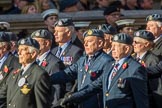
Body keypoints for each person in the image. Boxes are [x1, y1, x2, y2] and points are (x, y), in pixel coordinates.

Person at [59, 33, 149, 108]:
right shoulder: (110, 65)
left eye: (116, 46)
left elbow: (141, 100)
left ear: (126, 49)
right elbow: (94, 87)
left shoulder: (135, 68)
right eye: (112, 45)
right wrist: (73, 97)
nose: (112, 49)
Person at [51, 29, 114, 108]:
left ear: (100, 43)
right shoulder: (83, 60)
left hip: (96, 104)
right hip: (81, 104)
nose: (85, 44)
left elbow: (97, 86)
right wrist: (45, 79)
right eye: (85, 41)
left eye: (90, 41)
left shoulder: (107, 61)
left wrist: (74, 97)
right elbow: (67, 74)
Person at [0, 37, 51, 108]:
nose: (19, 53)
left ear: (33, 54)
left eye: (23, 50)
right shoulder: (14, 73)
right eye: (18, 50)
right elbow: (2, 95)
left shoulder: (39, 75)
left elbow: (41, 104)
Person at [31, 29, 65, 107]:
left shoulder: (54, 63)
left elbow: (57, 92)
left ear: (46, 43)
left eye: (36, 42)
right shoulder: (33, 61)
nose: (33, 46)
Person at [51, 18, 83, 93]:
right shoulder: (53, 51)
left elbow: (77, 78)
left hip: (66, 92)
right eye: (55, 31)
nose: (55, 34)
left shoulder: (76, 51)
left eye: (58, 32)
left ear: (68, 33)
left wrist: (70, 94)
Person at [132, 30, 160, 108]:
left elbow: (155, 86)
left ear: (146, 44)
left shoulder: (152, 59)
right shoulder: (133, 58)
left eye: (136, 42)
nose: (133, 44)